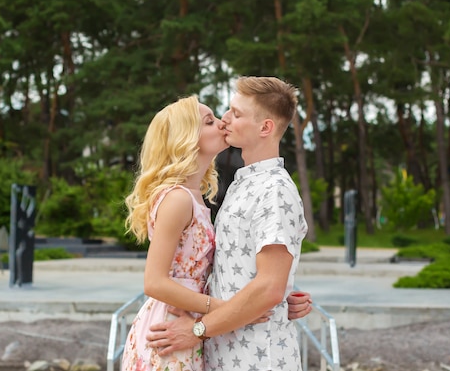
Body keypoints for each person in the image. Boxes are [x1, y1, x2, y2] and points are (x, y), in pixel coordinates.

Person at [121, 95, 311, 371]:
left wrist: (277, 295)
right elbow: (154, 282)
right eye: (210, 121)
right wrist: (227, 308)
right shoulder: (178, 199)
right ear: (187, 138)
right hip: (170, 328)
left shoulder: (198, 196)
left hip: (192, 323)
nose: (223, 122)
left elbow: (218, 268)